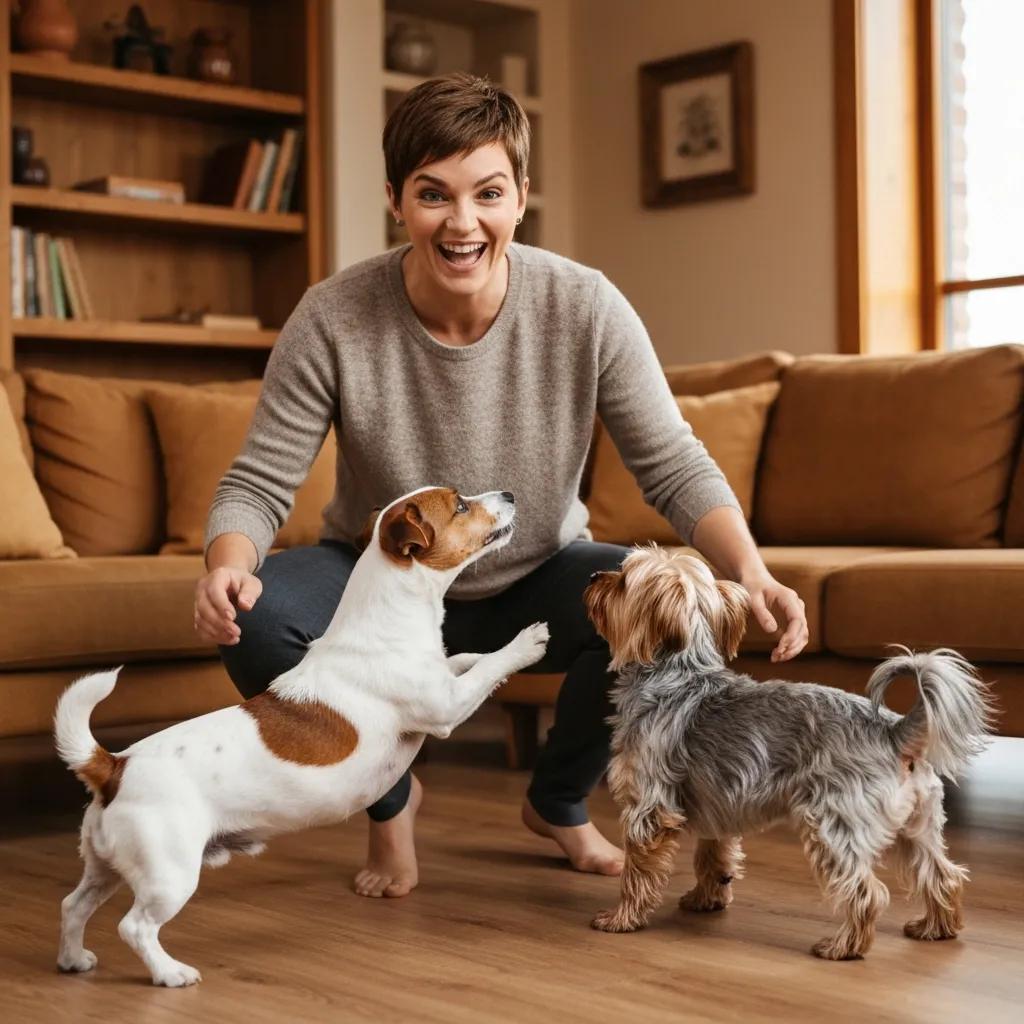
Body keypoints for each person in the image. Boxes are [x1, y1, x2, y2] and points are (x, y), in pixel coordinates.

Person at [194, 73, 808, 899]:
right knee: (255, 616)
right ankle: (390, 802)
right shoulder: (333, 315)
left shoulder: (585, 305)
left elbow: (671, 459)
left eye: (487, 193)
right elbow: (261, 478)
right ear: (395, 199)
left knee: (657, 605)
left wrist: (752, 570)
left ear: (522, 195)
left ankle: (557, 802)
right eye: (433, 195)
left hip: (536, 572)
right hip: (380, 581)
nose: (461, 222)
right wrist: (227, 563)